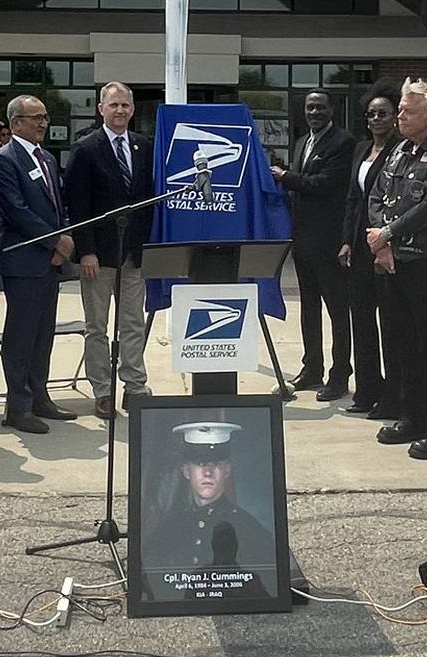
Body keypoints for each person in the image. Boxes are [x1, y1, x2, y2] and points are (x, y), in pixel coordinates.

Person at [367, 80, 427, 461]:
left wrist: (387, 233)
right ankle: (412, 415)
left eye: (407, 111)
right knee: (400, 342)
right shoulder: (399, 151)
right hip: (392, 261)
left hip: (425, 262)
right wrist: (381, 242)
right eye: (400, 110)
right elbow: (376, 195)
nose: (400, 116)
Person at [63, 79, 154, 416]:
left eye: (125, 105)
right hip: (97, 256)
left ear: (132, 110)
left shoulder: (144, 147)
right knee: (96, 326)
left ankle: (135, 385)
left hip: (134, 254)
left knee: (133, 323)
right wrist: (85, 250)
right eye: (113, 105)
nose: (120, 111)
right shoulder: (86, 148)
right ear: (101, 109)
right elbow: (76, 204)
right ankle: (102, 390)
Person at [0, 94, 75, 435]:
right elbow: (16, 210)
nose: (43, 123)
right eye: (35, 117)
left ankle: (40, 397)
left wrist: (63, 244)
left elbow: (57, 206)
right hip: (23, 261)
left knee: (43, 334)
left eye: (44, 117)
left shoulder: (48, 159)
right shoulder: (4, 160)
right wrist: (56, 241)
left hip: (49, 263)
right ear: (15, 124)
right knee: (21, 337)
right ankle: (18, 406)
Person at [275, 90, 355, 400]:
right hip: (304, 241)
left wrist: (285, 176)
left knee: (337, 310)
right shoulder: (300, 143)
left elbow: (325, 184)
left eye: (321, 107)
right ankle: (312, 369)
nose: (315, 112)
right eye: (310, 107)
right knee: (309, 309)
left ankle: (339, 375)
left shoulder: (343, 142)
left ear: (331, 109)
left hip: (331, 241)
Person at [140, 422, 271, 575]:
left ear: (227, 470)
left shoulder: (248, 529)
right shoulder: (170, 526)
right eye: (201, 464)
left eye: (215, 464)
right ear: (187, 471)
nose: (208, 472)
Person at [337, 92, 399, 417]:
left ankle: (393, 394)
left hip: (385, 246)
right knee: (360, 319)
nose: (377, 119)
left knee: (389, 322)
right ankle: (366, 391)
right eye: (372, 114)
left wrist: (383, 244)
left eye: (384, 113)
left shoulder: (400, 151)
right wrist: (347, 240)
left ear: (394, 117)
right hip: (359, 245)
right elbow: (352, 198)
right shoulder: (362, 149)